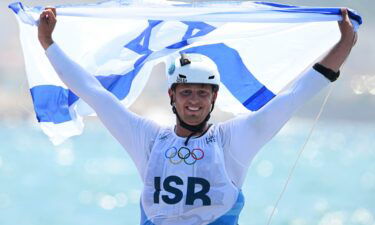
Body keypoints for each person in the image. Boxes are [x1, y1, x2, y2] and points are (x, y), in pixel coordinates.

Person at [38, 7, 357, 225]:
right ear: (172, 97)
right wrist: (48, 42)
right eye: (186, 93)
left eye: (202, 93)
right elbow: (95, 93)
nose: (194, 101)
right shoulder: (147, 138)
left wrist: (344, 44)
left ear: (214, 97)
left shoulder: (236, 138)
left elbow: (294, 96)